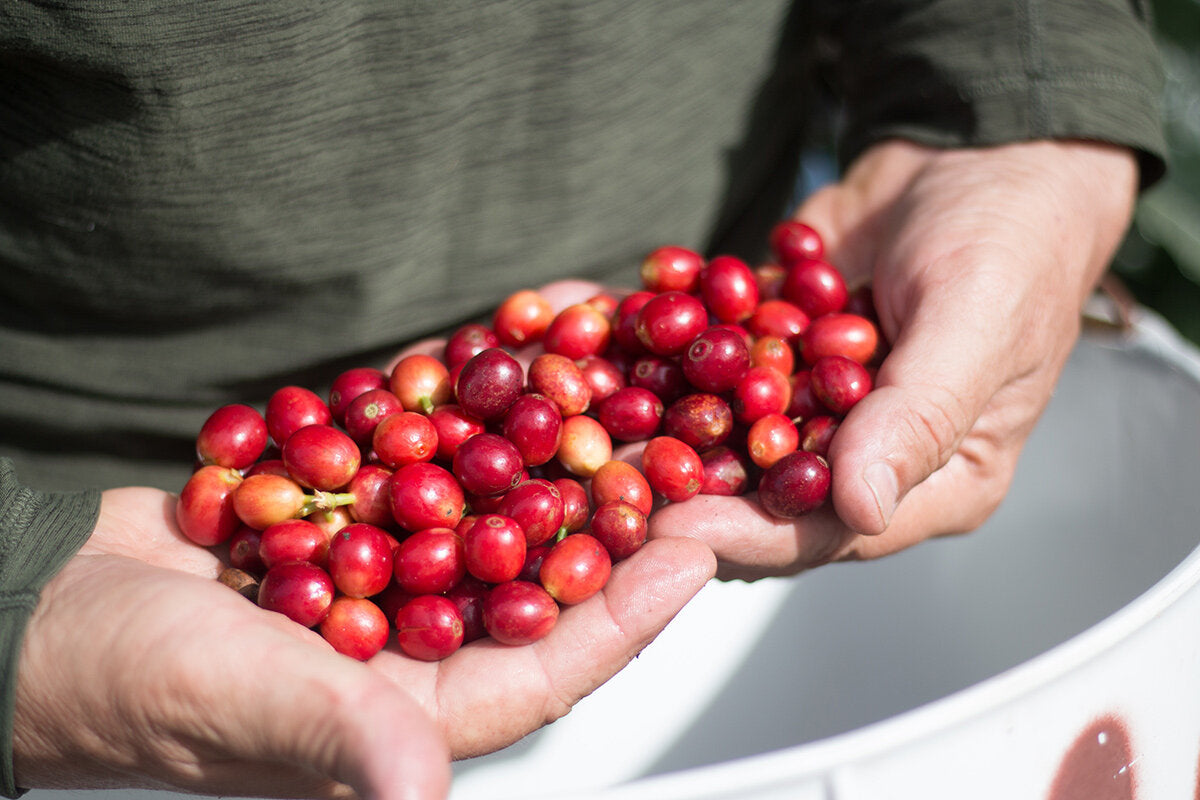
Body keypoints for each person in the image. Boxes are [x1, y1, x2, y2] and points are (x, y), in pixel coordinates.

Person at [0, 2, 1166, 799]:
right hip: (88, 503)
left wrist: (1024, 110)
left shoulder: (654, 406)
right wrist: (18, 577)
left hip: (727, 360)